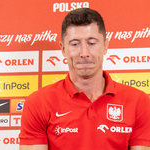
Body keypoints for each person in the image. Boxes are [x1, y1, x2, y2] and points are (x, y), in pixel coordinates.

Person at [19, 8, 150, 150]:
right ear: (63, 49)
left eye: (92, 43)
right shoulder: (38, 102)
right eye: (75, 44)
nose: (84, 53)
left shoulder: (139, 102)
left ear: (105, 46)